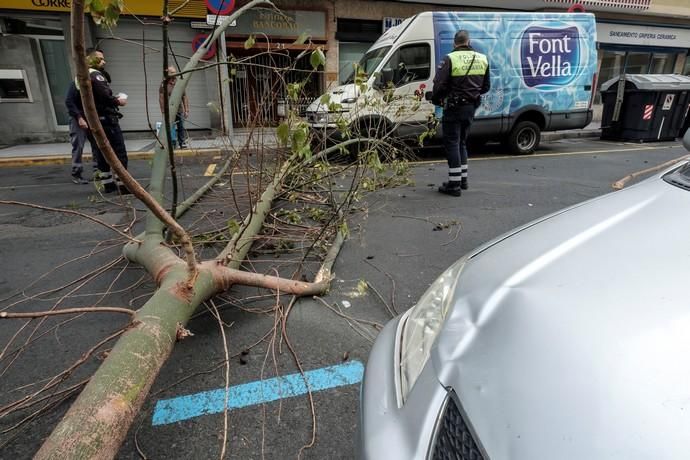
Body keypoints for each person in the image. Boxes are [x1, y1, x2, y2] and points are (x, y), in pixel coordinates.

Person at [431, 29, 490, 196]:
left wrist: (437, 100)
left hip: (454, 107)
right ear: (468, 42)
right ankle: (463, 180)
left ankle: (454, 185)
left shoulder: (450, 58)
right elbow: (486, 87)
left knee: (452, 143)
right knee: (462, 142)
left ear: (454, 43)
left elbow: (439, 85)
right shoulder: (482, 59)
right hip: (471, 107)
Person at [83, 47, 129, 194]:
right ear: (89, 59)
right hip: (106, 120)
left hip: (94, 121)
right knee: (119, 151)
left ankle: (107, 184)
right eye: (100, 59)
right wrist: (118, 101)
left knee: (101, 152)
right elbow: (104, 96)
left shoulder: (81, 76)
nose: (104, 61)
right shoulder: (96, 76)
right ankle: (123, 185)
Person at [65, 80, 95, 184]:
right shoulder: (77, 83)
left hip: (91, 117)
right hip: (78, 118)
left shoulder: (95, 81)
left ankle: (97, 171)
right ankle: (76, 173)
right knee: (78, 145)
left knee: (97, 144)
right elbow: (69, 101)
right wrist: (79, 117)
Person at [159, 66, 190, 149]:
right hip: (169, 110)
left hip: (179, 109)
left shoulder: (179, 82)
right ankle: (172, 143)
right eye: (172, 72)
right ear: (168, 73)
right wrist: (162, 111)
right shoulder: (164, 84)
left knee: (181, 126)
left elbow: (184, 97)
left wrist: (186, 110)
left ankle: (182, 142)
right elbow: (161, 98)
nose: (174, 74)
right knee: (170, 127)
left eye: (175, 72)